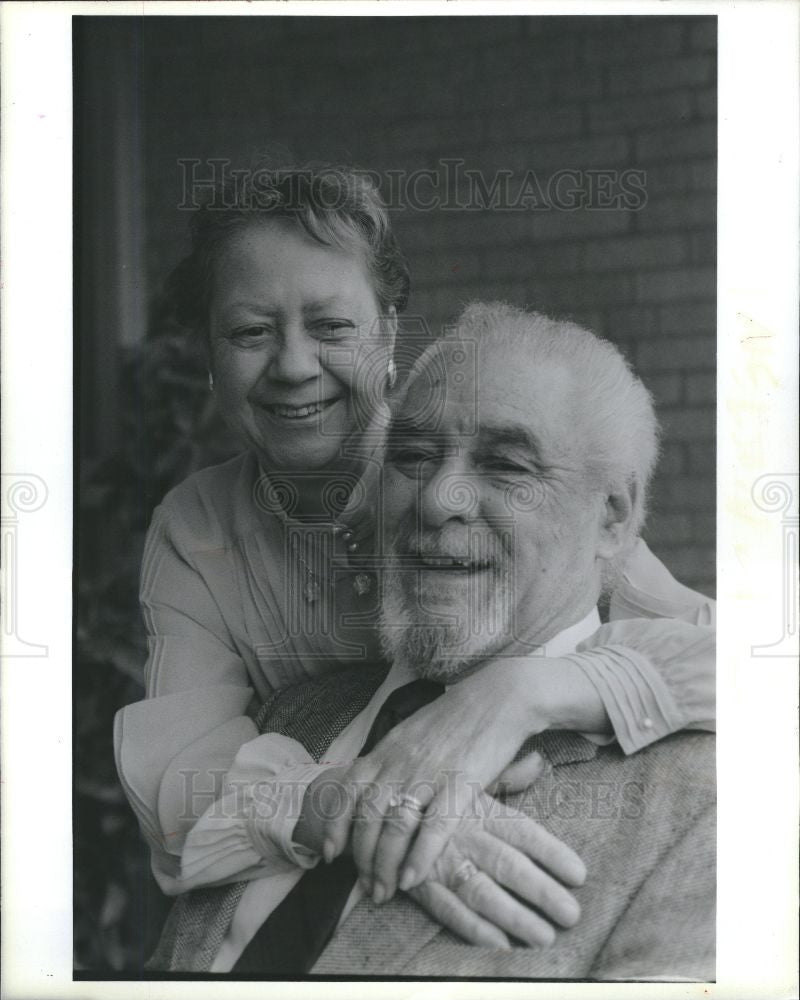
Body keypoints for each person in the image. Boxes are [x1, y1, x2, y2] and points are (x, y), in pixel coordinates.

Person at [114, 162, 715, 962]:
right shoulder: (197, 528)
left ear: (391, 336)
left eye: (332, 328)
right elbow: (181, 780)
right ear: (210, 354)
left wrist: (520, 692)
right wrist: (355, 806)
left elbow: (742, 662)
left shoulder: (484, 481)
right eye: (250, 332)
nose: (293, 366)